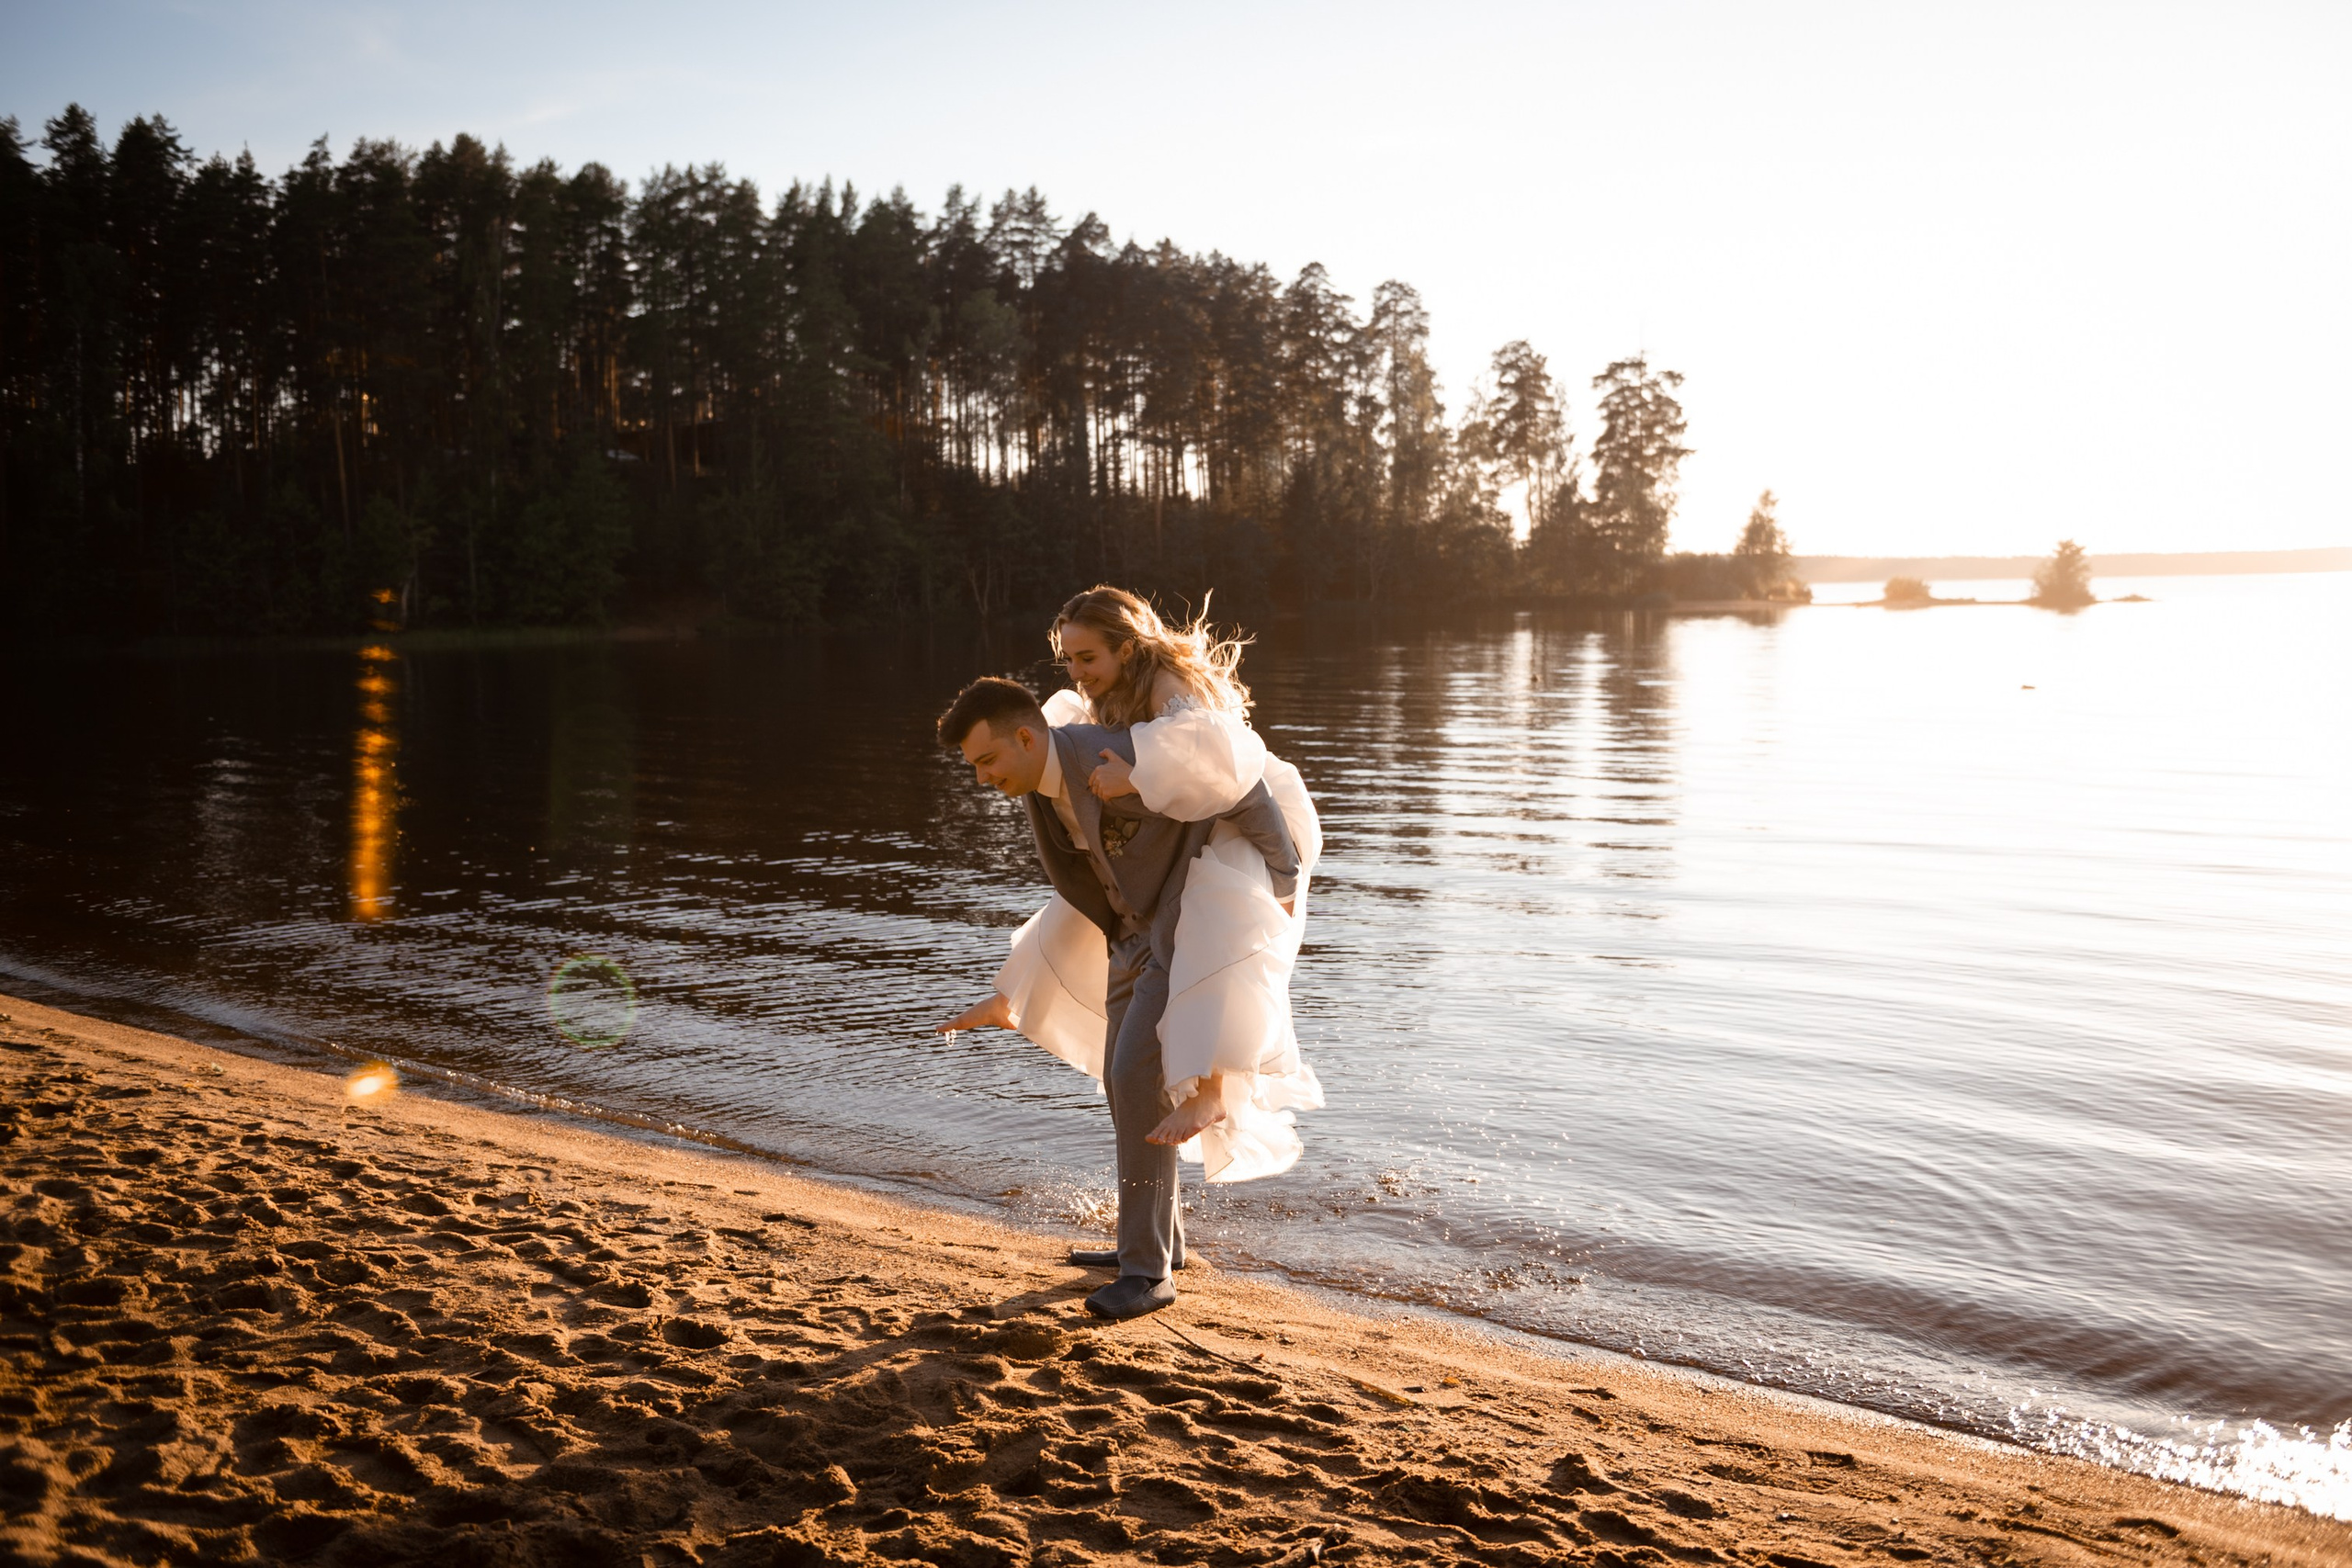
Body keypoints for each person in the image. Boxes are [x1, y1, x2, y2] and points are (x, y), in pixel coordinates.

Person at [933, 676, 1299, 1321]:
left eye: (987, 760)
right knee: (1119, 1076)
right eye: (973, 767)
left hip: (1179, 927)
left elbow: (1236, 783)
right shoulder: (1040, 785)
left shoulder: (1110, 751)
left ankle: (1147, 1273)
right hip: (1128, 937)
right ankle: (1162, 1245)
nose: (983, 777)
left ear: (1025, 736)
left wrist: (1285, 873)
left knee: (1136, 1072)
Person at [954, 588, 1325, 1182]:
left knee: (1212, 932)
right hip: (1186, 827)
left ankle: (1213, 1088)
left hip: (1247, 827)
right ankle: (1018, 998)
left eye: (1088, 658)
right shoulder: (1104, 701)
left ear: (1126, 649)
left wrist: (1283, 876)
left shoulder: (1167, 690)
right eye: (1068, 660)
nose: (1077, 674)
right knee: (1094, 905)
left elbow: (1235, 781)